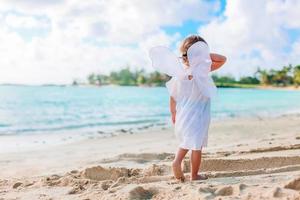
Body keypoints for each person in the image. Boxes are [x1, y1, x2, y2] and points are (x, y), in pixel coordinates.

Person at [149, 35, 226, 181]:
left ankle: (177, 162)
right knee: (196, 146)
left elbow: (172, 96)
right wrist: (204, 56)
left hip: (184, 113)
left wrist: (173, 114)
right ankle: (194, 174)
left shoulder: (180, 73)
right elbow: (223, 59)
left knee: (187, 141)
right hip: (199, 115)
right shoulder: (202, 70)